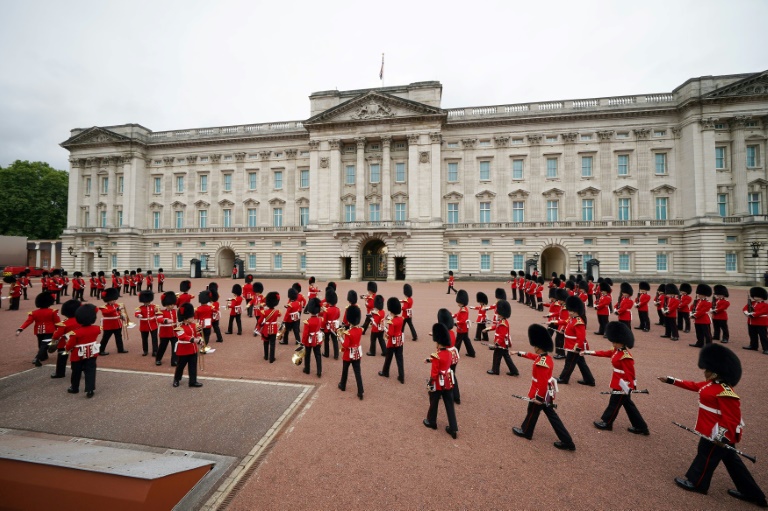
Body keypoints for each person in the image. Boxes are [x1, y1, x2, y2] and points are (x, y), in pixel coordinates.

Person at [660, 344, 766, 507]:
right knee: (732, 463)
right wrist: (672, 381)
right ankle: (752, 494)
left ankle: (697, 483)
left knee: (706, 456)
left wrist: (721, 435)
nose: (704, 372)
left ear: (716, 372)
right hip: (712, 431)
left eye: (707, 369)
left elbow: (731, 418)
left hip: (718, 434)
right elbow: (693, 385)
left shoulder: (726, 392)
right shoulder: (711, 385)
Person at [512, 324, 576, 451]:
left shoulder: (542, 363)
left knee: (533, 410)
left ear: (539, 347)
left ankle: (526, 432)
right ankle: (567, 440)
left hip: (541, 392)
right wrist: (519, 353)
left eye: (535, 346)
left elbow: (541, 382)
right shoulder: (545, 357)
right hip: (547, 392)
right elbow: (532, 356)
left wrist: (539, 398)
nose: (534, 348)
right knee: (548, 415)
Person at [583, 322, 649, 434]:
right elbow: (604, 353)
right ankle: (641, 427)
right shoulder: (616, 350)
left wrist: (629, 386)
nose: (613, 344)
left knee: (614, 403)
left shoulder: (625, 356)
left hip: (623, 385)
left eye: (615, 342)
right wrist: (589, 352)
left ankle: (607, 422)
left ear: (622, 342)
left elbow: (630, 373)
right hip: (618, 382)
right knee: (628, 405)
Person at [423, 323, 458, 439]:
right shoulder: (449, 353)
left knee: (434, 401)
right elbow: (444, 363)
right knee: (449, 404)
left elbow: (434, 373)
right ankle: (453, 428)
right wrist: (430, 360)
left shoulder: (436, 355)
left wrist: (430, 383)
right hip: (448, 382)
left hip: (438, 382)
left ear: (438, 342)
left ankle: (432, 422)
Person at [556, 296, 595, 386]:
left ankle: (563, 378)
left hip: (574, 346)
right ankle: (589, 380)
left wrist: (577, 347)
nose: (568, 312)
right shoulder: (572, 319)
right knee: (581, 363)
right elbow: (565, 322)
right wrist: (554, 322)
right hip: (571, 344)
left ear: (574, 311)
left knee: (569, 363)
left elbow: (581, 337)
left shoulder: (579, 321)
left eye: (570, 311)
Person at [64, 304, 101, 398]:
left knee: (76, 371)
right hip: (92, 353)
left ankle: (74, 387)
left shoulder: (75, 333)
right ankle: (90, 389)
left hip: (78, 355)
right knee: (90, 371)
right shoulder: (97, 329)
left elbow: (69, 345)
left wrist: (66, 348)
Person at [16, 291, 60, 367]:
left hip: (38, 331)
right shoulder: (53, 312)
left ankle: (44, 356)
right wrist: (59, 331)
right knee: (44, 345)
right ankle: (37, 358)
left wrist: (20, 329)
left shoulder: (33, 313)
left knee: (40, 344)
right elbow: (57, 322)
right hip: (49, 330)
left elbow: (28, 321)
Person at [484, 300, 519, 376]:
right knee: (507, 357)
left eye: (499, 313)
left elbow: (502, 335)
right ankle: (514, 371)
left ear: (503, 314)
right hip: (502, 344)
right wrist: (487, 329)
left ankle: (495, 370)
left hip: (501, 344)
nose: (497, 314)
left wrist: (497, 343)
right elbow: (495, 327)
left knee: (496, 356)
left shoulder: (503, 323)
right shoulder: (501, 321)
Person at [173, 303, 203, 388]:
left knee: (193, 366)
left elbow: (198, 334)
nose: (193, 318)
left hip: (193, 349)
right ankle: (176, 379)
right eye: (191, 317)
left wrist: (201, 340)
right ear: (185, 318)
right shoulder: (178, 327)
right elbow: (182, 336)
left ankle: (192, 381)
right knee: (180, 366)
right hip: (183, 350)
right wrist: (194, 340)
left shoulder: (194, 325)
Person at [50, 299, 81, 379]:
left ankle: (60, 373)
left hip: (64, 344)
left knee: (62, 359)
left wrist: (53, 340)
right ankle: (79, 370)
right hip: (78, 343)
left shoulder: (64, 323)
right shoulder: (81, 320)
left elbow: (57, 335)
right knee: (79, 358)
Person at [338, 305, 364, 400]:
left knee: (345, 371)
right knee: (358, 373)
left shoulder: (348, 333)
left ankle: (343, 385)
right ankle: (360, 391)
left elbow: (345, 345)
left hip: (348, 355)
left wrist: (340, 338)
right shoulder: (360, 330)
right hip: (357, 354)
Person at [379, 297, 405, 383]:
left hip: (392, 343)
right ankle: (401, 376)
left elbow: (390, 334)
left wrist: (384, 328)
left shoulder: (392, 322)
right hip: (400, 341)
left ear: (391, 310)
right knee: (399, 358)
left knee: (388, 358)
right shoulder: (401, 319)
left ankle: (385, 372)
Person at [301, 298, 324, 377]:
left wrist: (303, 342)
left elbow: (305, 334)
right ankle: (319, 371)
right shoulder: (320, 320)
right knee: (318, 355)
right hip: (317, 339)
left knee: (307, 355)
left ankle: (307, 369)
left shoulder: (308, 321)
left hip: (309, 340)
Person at [156, 291, 179, 366]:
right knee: (162, 347)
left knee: (175, 347)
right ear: (165, 305)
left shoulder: (175, 312)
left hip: (174, 333)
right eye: (169, 305)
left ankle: (174, 361)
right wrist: (166, 320)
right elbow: (159, 319)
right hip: (165, 333)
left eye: (172, 304)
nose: (171, 306)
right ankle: (158, 359)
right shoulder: (161, 312)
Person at [135, 290, 160, 357]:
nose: (147, 303)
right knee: (144, 339)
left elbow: (158, 312)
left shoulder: (154, 307)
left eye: (148, 302)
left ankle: (155, 351)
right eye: (145, 302)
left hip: (153, 324)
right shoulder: (140, 308)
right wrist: (138, 315)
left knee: (154, 339)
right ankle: (145, 350)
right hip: (144, 325)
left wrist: (157, 311)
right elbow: (137, 313)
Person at [743, 286, 768, 353]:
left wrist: (753, 314)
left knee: (763, 336)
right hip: (751, 322)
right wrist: (747, 313)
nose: (754, 298)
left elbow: (762, 312)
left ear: (761, 297)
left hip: (761, 323)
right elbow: (745, 308)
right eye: (754, 296)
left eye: (756, 296)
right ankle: (753, 346)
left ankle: (766, 348)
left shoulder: (765, 305)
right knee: (752, 334)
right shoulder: (752, 303)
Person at [258, 291, 281, 363]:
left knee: (265, 342)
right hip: (274, 329)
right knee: (272, 343)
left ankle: (266, 356)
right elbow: (279, 315)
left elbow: (259, 321)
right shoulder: (277, 312)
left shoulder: (264, 312)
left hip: (265, 329)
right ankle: (271, 358)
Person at [689, 284, 713, 348]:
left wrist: (694, 315)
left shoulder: (708, 302)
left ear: (704, 295)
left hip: (704, 320)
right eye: (698, 294)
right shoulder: (697, 301)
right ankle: (700, 343)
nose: (698, 295)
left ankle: (709, 345)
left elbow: (702, 311)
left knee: (707, 334)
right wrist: (691, 313)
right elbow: (691, 307)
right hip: (697, 320)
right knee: (699, 333)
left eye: (700, 294)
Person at [453, 290, 475, 357]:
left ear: (462, 302)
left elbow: (463, 320)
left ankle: (455, 353)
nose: (458, 304)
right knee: (466, 341)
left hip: (462, 328)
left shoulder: (464, 310)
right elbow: (458, 314)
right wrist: (452, 316)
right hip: (464, 328)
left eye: (459, 303)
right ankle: (471, 353)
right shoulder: (462, 308)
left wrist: (456, 322)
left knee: (458, 342)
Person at [321, 289, 340, 359]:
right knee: (335, 340)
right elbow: (338, 316)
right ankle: (336, 355)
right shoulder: (337, 309)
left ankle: (326, 353)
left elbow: (324, 320)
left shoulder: (327, 310)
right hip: (334, 327)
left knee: (326, 340)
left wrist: (322, 328)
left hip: (327, 328)